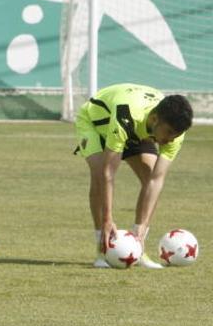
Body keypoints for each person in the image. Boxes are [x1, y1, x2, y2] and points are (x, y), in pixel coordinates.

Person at [74, 83, 193, 268]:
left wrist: (142, 228)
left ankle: (139, 250)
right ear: (154, 119)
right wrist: (108, 219)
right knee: (99, 175)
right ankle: (102, 251)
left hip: (138, 131)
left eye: (175, 135)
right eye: (169, 132)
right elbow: (108, 173)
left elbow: (157, 180)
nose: (171, 139)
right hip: (96, 122)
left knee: (149, 176)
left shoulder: (175, 134)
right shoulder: (126, 114)